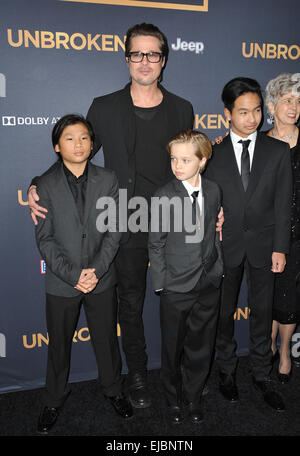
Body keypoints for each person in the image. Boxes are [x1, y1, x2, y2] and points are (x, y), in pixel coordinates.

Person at [27, 23, 198, 409]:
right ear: (126, 59)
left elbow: (193, 164)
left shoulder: (182, 108)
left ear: (163, 60)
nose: (145, 61)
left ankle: (181, 372)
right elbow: (76, 157)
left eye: (153, 53)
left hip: (173, 220)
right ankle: (136, 374)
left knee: (180, 301)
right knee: (132, 304)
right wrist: (37, 182)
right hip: (124, 223)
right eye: (137, 53)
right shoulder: (103, 107)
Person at [34, 114, 132, 435]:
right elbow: (45, 240)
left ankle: (114, 390)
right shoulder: (44, 185)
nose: (78, 144)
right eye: (70, 138)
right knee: (59, 344)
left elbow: (114, 229)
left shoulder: (108, 179)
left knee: (106, 341)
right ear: (56, 146)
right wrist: (74, 275)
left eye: (84, 138)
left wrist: (97, 270)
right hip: (62, 282)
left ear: (92, 144)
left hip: (101, 277)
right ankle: (53, 399)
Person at [204, 77, 292, 412]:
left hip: (265, 246)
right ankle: (227, 372)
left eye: (256, 110)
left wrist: (280, 248)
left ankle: (261, 374)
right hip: (225, 247)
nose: (252, 118)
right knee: (224, 314)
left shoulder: (278, 151)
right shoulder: (212, 154)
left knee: (262, 314)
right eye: (243, 112)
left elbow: (283, 204)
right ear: (227, 113)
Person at [148, 130, 223, 424]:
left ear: (202, 160)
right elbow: (156, 242)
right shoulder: (164, 195)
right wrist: (163, 284)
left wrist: (217, 266)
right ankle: (172, 397)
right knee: (172, 347)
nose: (177, 165)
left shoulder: (215, 190)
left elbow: (213, 232)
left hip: (208, 281)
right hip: (176, 286)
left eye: (185, 159)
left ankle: (194, 395)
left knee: (201, 345)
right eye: (173, 159)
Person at [265, 73, 300, 382]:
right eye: (288, 100)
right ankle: (267, 346)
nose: (294, 106)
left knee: (289, 296)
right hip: (265, 234)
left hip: (298, 236)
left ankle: (285, 349)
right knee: (267, 294)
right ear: (272, 105)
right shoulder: (259, 143)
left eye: (299, 101)